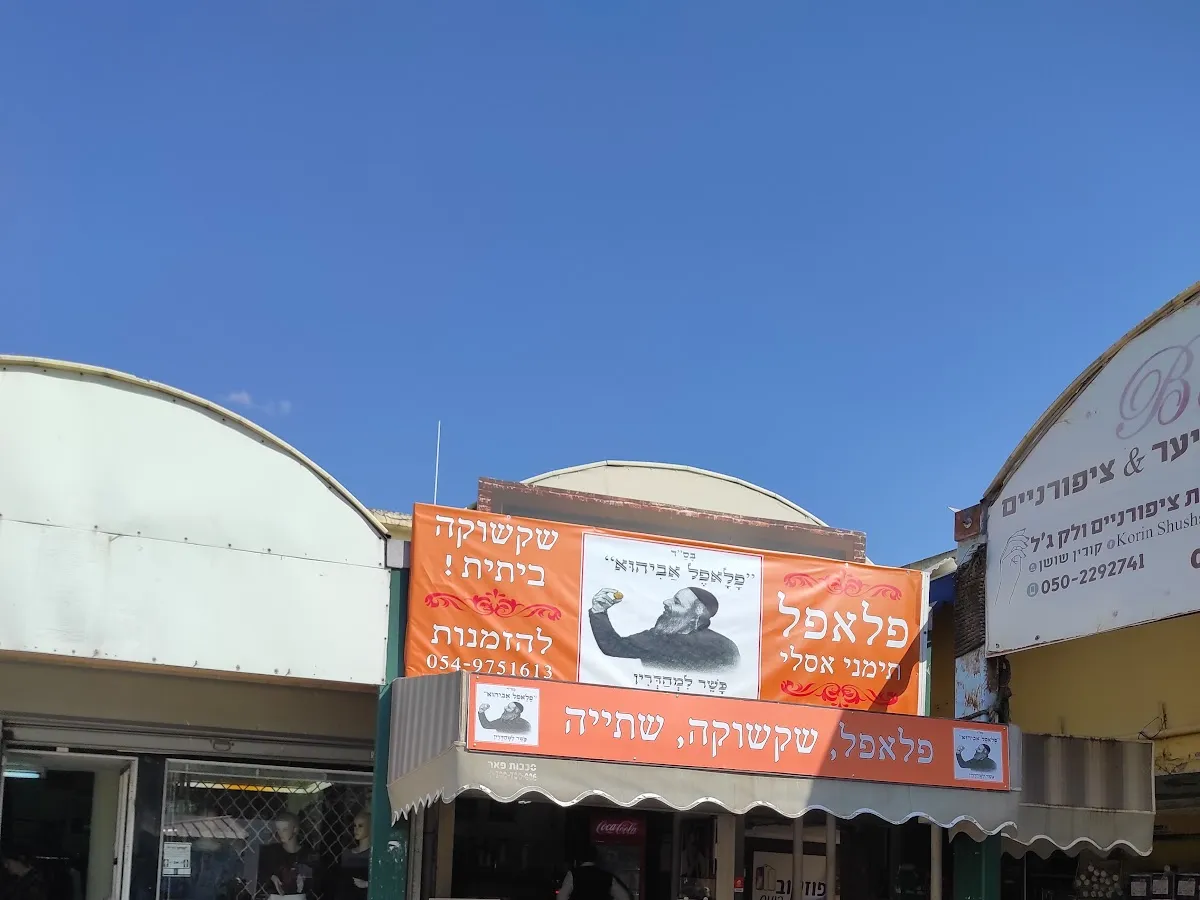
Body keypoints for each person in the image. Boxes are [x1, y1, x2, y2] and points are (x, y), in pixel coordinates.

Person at [588, 587, 740, 671]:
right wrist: (599, 611)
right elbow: (613, 646)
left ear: (696, 614)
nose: (666, 602)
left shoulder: (725, 649)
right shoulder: (655, 638)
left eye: (677, 602)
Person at [256, 812, 320, 899]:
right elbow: (258, 872)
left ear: (295, 829)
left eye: (285, 829)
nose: (280, 833)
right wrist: (271, 877)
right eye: (278, 829)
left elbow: (316, 882)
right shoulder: (271, 852)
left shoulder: (309, 855)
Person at [557, 846, 631, 900]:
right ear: (596, 858)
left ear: (579, 859)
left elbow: (561, 897)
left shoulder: (573, 874)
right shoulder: (607, 876)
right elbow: (624, 897)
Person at [335, 811, 370, 900]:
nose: (356, 829)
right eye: (355, 825)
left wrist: (366, 884)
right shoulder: (347, 854)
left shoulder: (374, 855)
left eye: (360, 826)